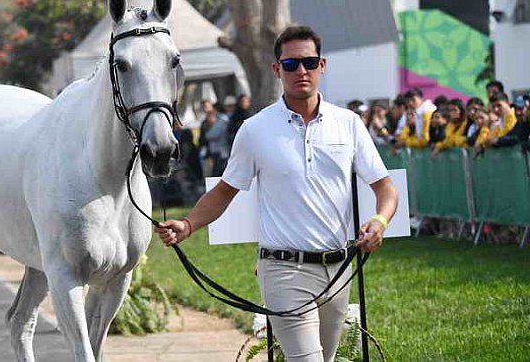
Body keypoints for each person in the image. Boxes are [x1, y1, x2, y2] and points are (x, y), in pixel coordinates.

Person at [156, 25, 398, 362]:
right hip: (284, 269)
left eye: (309, 63)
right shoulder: (255, 129)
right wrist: (188, 225)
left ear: (322, 65)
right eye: (290, 64)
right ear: (276, 70)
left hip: (340, 268)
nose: (301, 71)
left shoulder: (349, 124)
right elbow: (225, 191)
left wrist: (379, 221)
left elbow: (385, 188)